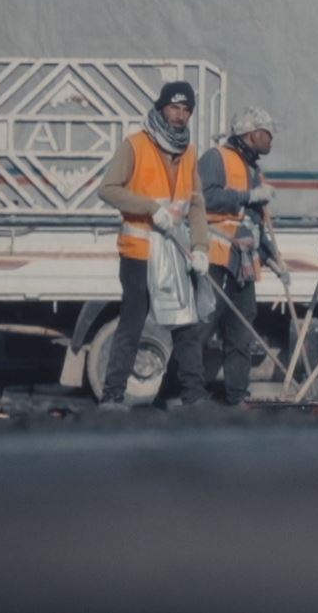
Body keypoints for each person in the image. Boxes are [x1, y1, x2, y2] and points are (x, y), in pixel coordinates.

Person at [95, 81, 210, 409]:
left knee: (185, 324)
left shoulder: (189, 152)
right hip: (139, 252)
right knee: (132, 324)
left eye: (186, 110)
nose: (180, 115)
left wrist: (201, 247)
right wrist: (149, 207)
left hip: (175, 251)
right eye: (174, 107)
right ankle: (112, 397)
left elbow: (196, 204)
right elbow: (107, 189)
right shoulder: (135, 145)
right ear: (161, 108)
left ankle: (193, 397)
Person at [199, 106, 286, 406]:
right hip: (216, 258)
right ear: (251, 134)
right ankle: (177, 393)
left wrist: (274, 260)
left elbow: (255, 224)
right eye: (267, 133)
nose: (271, 138)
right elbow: (202, 197)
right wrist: (247, 196)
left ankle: (237, 396)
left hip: (243, 263)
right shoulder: (216, 159)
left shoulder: (253, 171)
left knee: (241, 330)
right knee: (202, 328)